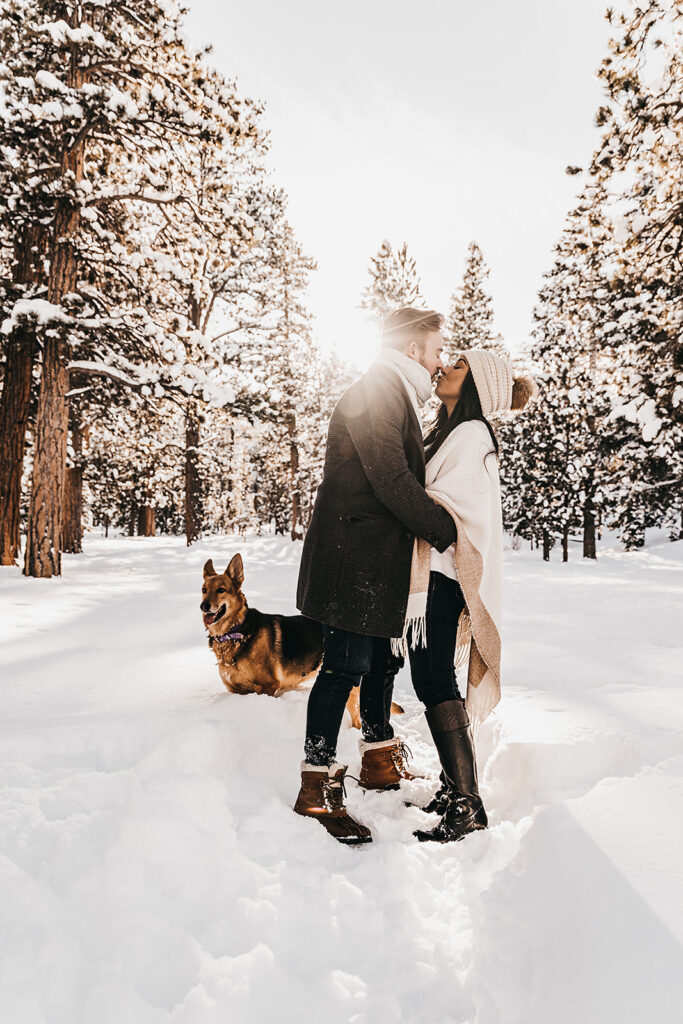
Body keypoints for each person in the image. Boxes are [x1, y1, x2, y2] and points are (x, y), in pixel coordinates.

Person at [293, 307, 458, 844]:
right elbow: (389, 477)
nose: (440, 362)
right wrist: (445, 528)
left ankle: (380, 759)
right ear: (413, 349)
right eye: (436, 350)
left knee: (383, 659)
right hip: (351, 558)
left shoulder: (396, 391)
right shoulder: (378, 390)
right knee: (343, 667)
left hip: (376, 559)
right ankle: (315, 787)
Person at [397, 348, 536, 843]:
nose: (444, 368)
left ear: (475, 384)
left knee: (434, 680)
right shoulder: (453, 431)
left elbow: (459, 508)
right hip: (435, 575)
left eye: (457, 366)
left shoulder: (473, 436)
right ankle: (454, 786)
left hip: (443, 575)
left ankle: (467, 804)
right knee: (432, 678)